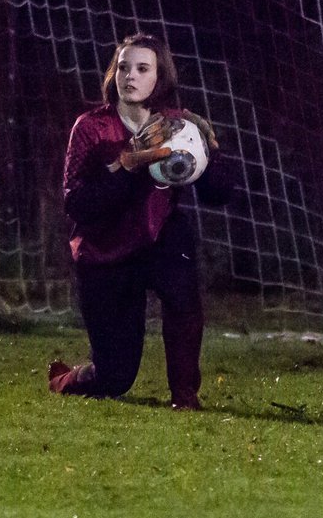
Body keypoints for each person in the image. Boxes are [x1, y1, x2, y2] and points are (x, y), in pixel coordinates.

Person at [47, 33, 235, 410]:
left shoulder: (178, 127)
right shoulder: (90, 128)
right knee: (115, 377)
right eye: (123, 67)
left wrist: (213, 155)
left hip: (158, 236)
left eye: (142, 68)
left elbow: (218, 195)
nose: (129, 75)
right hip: (105, 253)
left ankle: (185, 396)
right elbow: (78, 206)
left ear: (159, 77)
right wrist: (125, 165)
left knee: (182, 292)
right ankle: (65, 378)